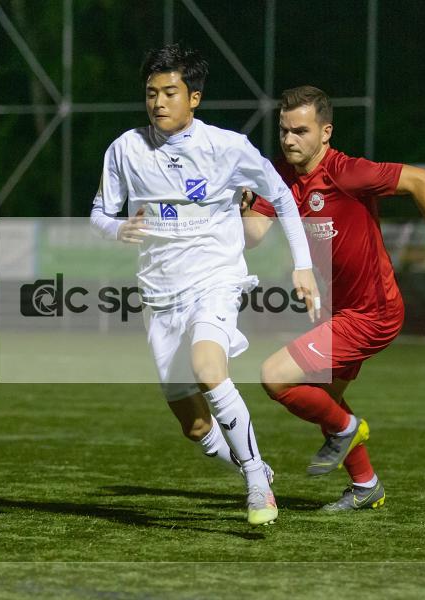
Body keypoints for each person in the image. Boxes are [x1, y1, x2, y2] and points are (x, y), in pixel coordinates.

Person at [90, 45, 319, 525]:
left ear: (193, 97)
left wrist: (302, 265)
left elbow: (281, 195)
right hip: (158, 294)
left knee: (207, 365)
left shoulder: (226, 147)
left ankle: (256, 480)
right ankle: (251, 464)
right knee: (194, 426)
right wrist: (117, 229)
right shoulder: (125, 149)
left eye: (170, 92)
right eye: (151, 93)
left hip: (215, 279)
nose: (158, 102)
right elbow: (99, 214)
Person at [242, 85, 425, 511]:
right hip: (342, 311)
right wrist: (244, 204)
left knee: (275, 376)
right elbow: (253, 235)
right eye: (283, 131)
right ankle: (367, 486)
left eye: (300, 131)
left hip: (372, 313)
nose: (289, 139)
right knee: (323, 398)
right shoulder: (279, 177)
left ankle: (349, 428)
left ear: (325, 132)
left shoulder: (345, 173)